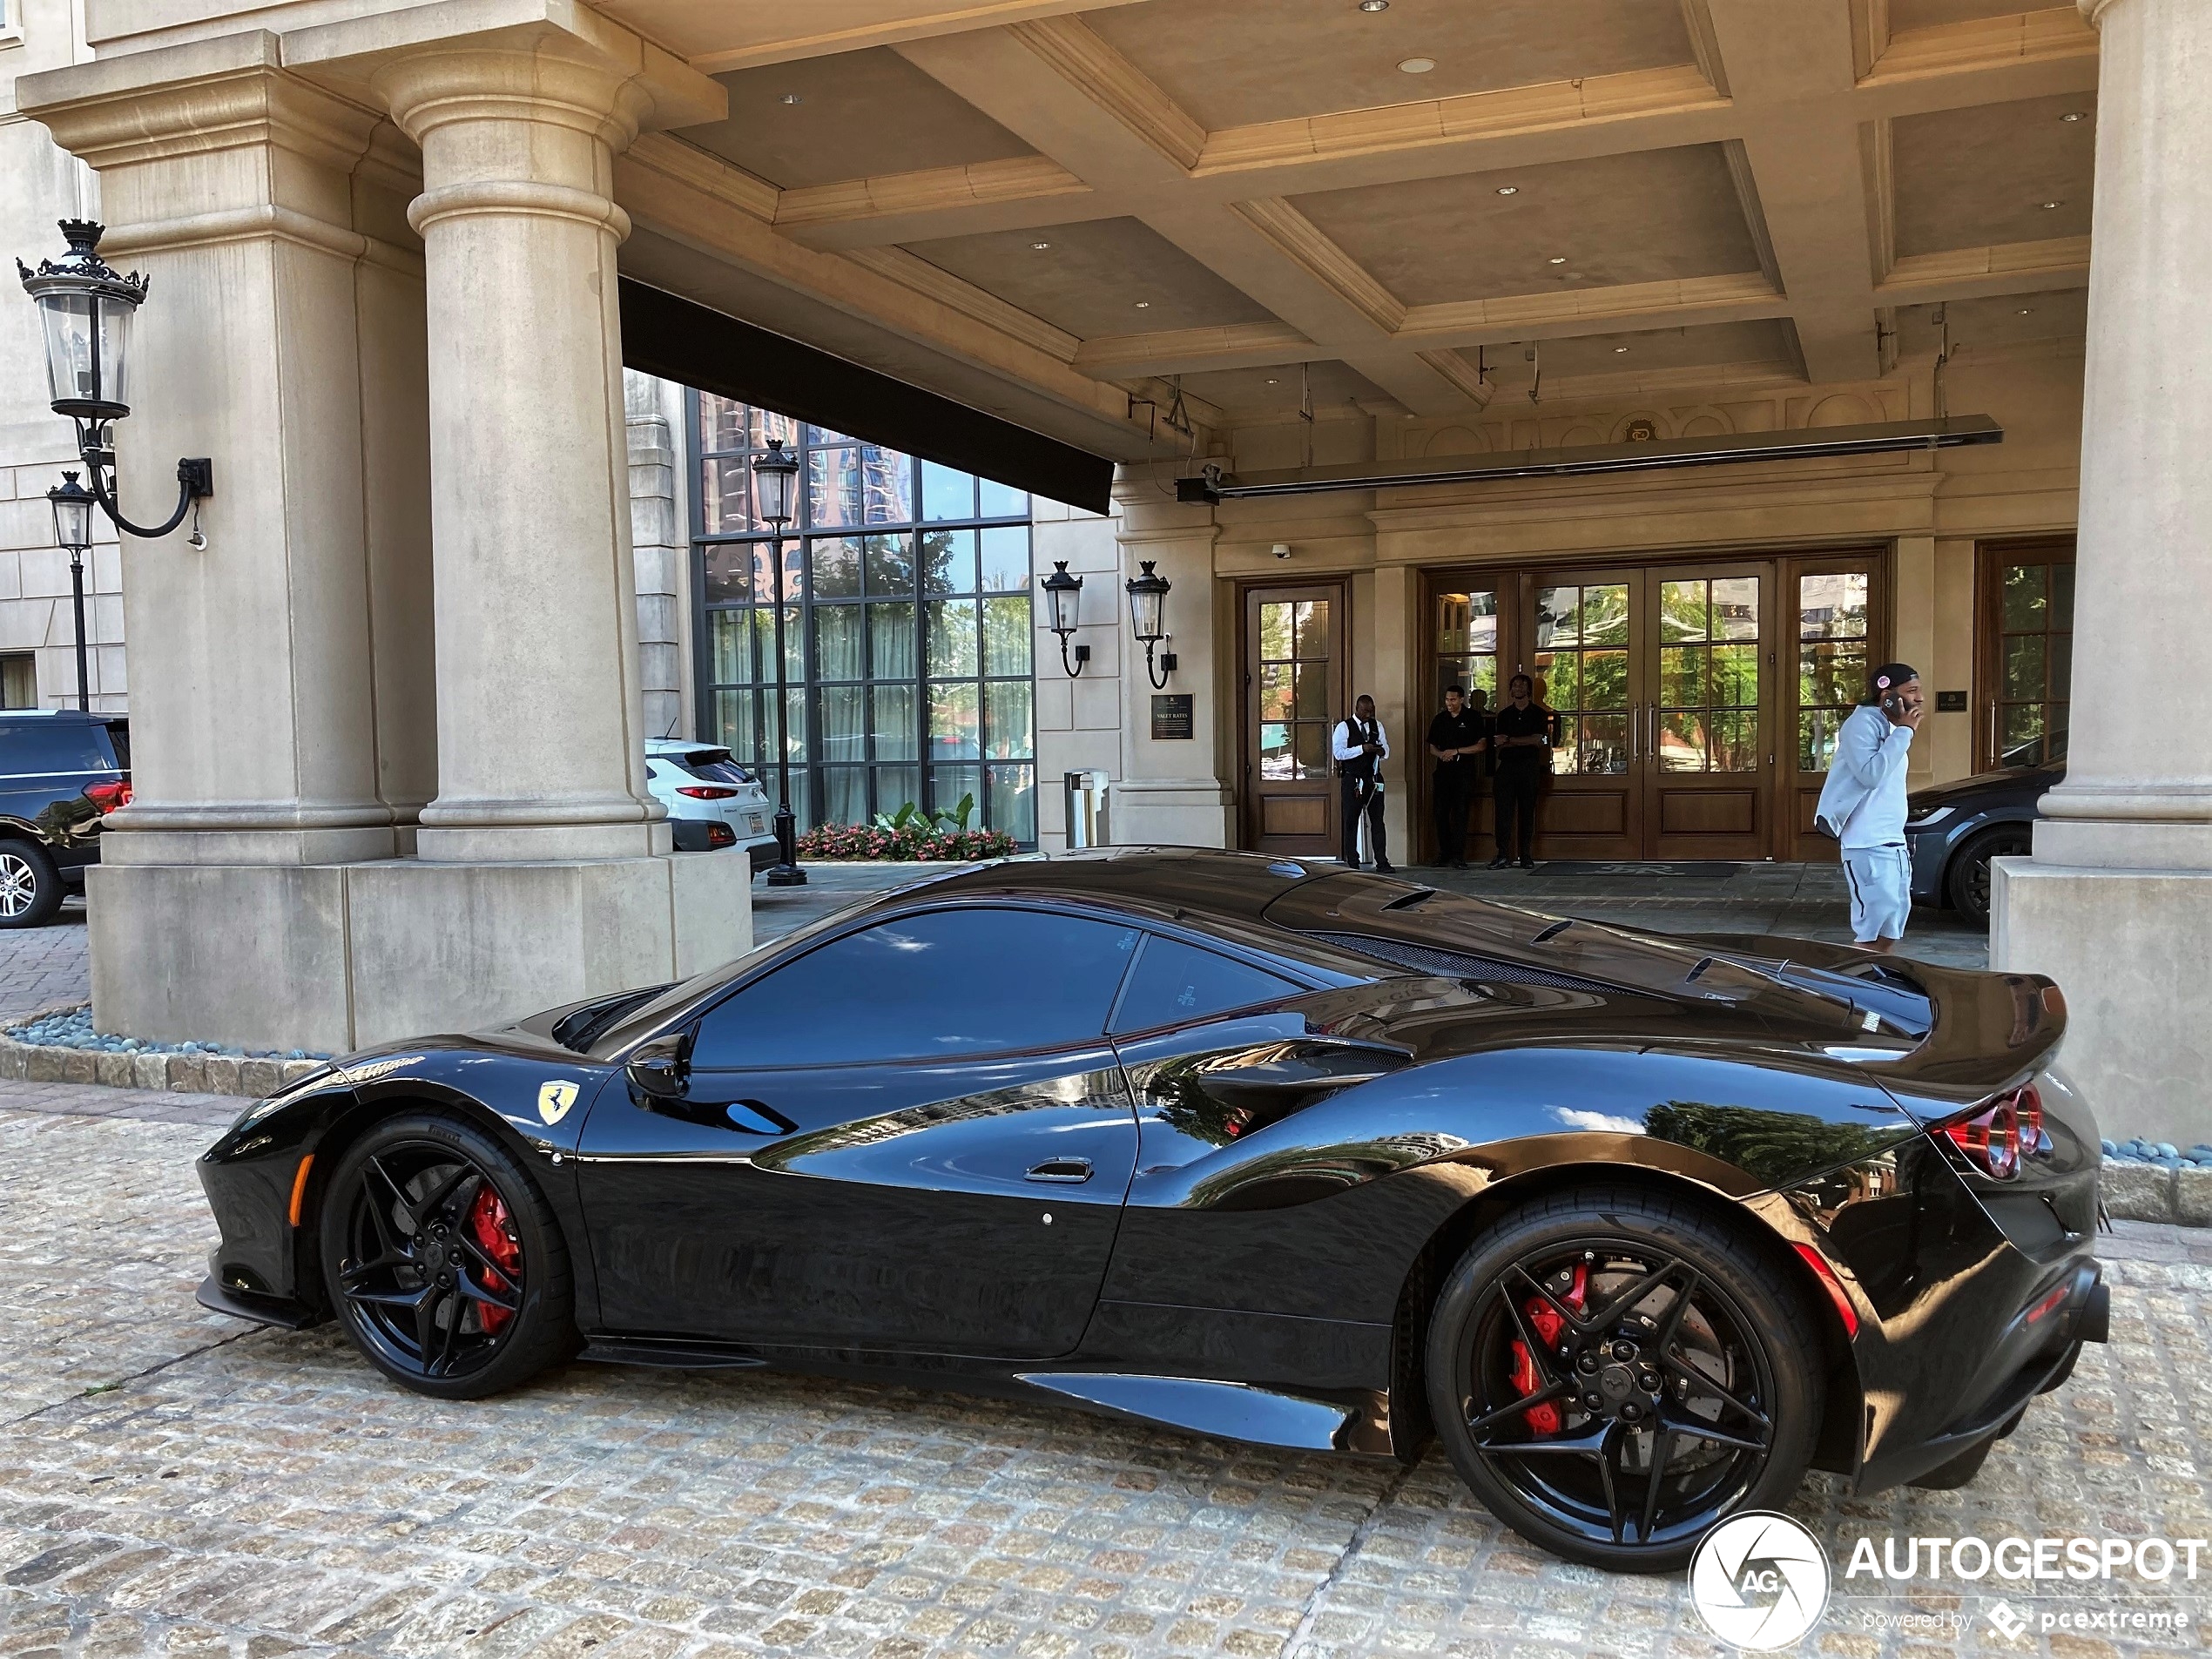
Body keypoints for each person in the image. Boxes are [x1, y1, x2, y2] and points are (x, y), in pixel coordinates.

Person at [1814, 662, 1924, 954]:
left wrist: (1900, 731)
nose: (1920, 698)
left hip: (1892, 841)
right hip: (1866, 842)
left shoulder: (1890, 725)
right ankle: (1854, 986)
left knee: (1892, 925)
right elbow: (1870, 774)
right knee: (1872, 928)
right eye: (1911, 691)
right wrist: (1904, 732)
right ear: (1886, 694)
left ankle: (1877, 982)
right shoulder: (1861, 724)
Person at [1488, 673, 1550, 869]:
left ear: (1529, 690)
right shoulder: (1504, 715)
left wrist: (1510, 740)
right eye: (1515, 685)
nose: (1518, 689)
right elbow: (1498, 742)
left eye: (1522, 686)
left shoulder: (1538, 714)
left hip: (1529, 767)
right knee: (1503, 813)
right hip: (1506, 768)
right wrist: (1514, 741)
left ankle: (1525, 855)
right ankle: (1503, 854)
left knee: (1527, 812)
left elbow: (1536, 740)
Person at [1426, 684, 1488, 868]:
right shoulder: (1440, 719)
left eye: (1453, 700)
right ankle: (1443, 853)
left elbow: (1482, 745)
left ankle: (1458, 856)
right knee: (1440, 814)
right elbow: (1432, 747)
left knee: (1461, 814)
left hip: (1464, 774)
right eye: (1447, 700)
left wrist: (1457, 751)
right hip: (1443, 774)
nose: (1449, 703)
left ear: (1462, 699)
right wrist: (1442, 755)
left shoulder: (1473, 718)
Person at [1333, 693, 1394, 873]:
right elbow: (1339, 753)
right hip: (1353, 779)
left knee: (1378, 820)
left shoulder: (1377, 726)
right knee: (1351, 820)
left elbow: (1387, 751)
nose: (1368, 715)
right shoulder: (1344, 727)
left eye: (1371, 711)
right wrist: (1362, 749)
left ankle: (1382, 862)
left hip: (1374, 779)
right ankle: (1353, 862)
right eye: (1365, 711)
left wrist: (1380, 751)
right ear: (1357, 708)